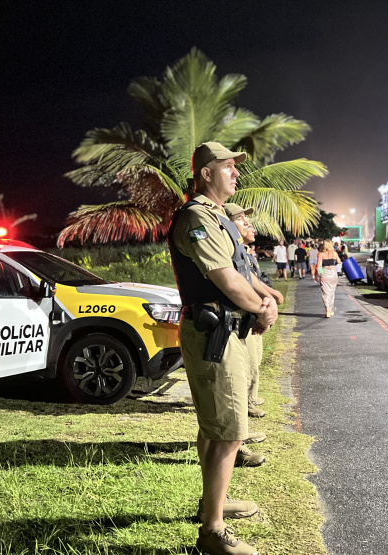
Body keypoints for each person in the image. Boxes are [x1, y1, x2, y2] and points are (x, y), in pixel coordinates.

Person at [168, 142, 278, 555]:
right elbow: (225, 280)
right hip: (214, 332)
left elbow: (241, 272)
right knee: (229, 432)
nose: (236, 173)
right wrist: (263, 312)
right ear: (206, 173)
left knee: (215, 426)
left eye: (236, 167)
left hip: (224, 329)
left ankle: (213, 502)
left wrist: (264, 298)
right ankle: (211, 531)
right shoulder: (197, 216)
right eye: (228, 167)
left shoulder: (216, 217)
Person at [225, 203, 284, 424]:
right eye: (241, 220)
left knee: (253, 360)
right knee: (245, 364)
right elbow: (241, 281)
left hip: (248, 313)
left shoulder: (242, 250)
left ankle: (249, 398)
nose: (250, 226)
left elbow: (251, 278)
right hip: (239, 316)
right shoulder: (228, 248)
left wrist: (268, 297)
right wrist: (264, 307)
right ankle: (247, 402)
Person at [317, 239, 341, 318]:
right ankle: (331, 309)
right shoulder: (334, 253)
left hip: (325, 274)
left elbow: (319, 266)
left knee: (325, 293)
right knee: (331, 293)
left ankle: (327, 309)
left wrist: (319, 275)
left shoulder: (321, 254)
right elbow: (339, 262)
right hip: (333, 274)